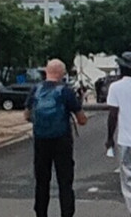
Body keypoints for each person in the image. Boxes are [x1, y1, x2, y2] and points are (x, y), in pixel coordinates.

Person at [26, 58, 87, 217]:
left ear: (46, 71)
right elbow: (81, 119)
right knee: (65, 181)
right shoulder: (66, 91)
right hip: (62, 140)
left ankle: (41, 212)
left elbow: (27, 115)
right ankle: (66, 213)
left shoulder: (35, 90)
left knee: (42, 181)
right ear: (62, 73)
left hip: (41, 140)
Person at [104, 51, 131, 214]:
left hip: (126, 140)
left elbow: (112, 115)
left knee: (128, 180)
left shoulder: (116, 87)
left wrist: (109, 139)